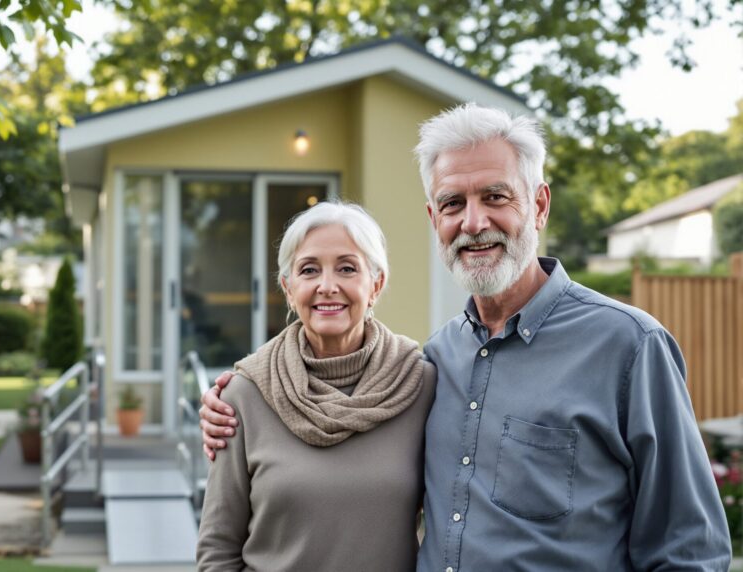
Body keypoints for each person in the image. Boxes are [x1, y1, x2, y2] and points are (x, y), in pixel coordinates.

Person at [200, 104, 731, 570]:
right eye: (453, 204)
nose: (474, 223)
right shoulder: (432, 363)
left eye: (496, 196)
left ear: (539, 205)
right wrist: (236, 398)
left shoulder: (629, 347)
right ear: (434, 219)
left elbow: (690, 550)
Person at [196, 201, 437, 571]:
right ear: (288, 288)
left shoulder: (420, 385)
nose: (327, 286)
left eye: (347, 268)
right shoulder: (243, 396)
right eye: (309, 270)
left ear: (376, 284)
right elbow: (218, 551)